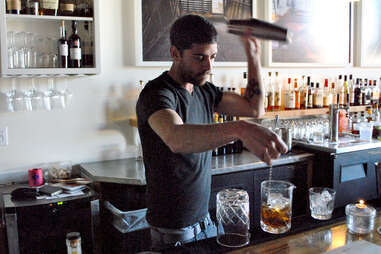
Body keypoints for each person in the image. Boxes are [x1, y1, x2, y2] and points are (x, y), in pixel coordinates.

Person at [136, 14, 287, 250]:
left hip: (205, 220)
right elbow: (176, 138)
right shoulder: (157, 93)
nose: (209, 66)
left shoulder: (205, 91)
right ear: (175, 53)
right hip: (173, 230)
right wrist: (239, 128)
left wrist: (253, 55)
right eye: (200, 57)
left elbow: (254, 108)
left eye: (213, 57)